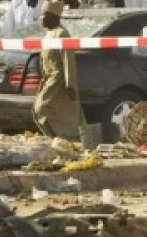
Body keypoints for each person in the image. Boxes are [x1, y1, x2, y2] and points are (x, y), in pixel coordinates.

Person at [33, 0, 84, 140]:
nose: (42, 19)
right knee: (39, 110)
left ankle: (65, 138)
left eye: (45, 15)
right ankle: (55, 139)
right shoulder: (49, 34)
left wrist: (71, 85)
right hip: (49, 79)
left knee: (42, 108)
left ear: (54, 17)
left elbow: (69, 61)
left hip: (59, 80)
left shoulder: (62, 34)